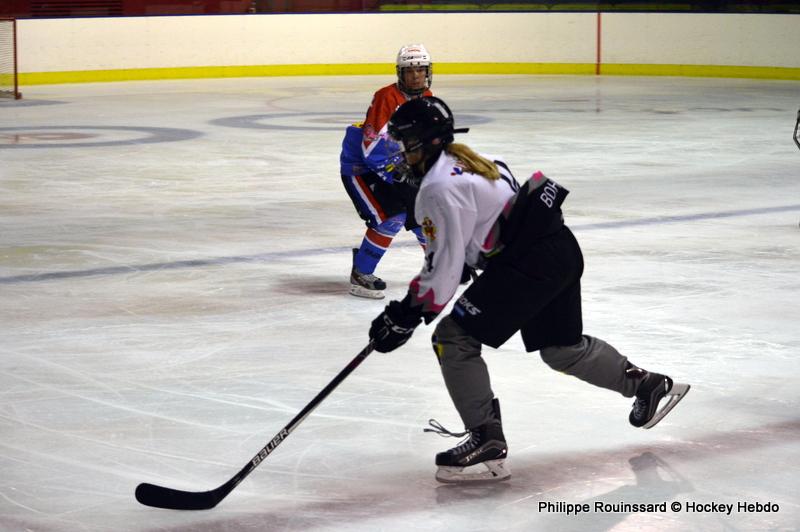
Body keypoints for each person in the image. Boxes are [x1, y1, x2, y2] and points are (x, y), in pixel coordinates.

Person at [367, 96, 691, 484]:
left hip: (529, 266)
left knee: (452, 338)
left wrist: (405, 314)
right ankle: (648, 385)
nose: (400, 153)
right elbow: (491, 219)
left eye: (404, 143)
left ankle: (486, 440)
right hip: (558, 250)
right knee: (561, 349)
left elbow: (444, 271)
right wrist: (472, 254)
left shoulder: (436, 188)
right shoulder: (475, 158)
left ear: (425, 142)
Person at [339, 44, 434, 299]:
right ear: (400, 73)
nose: (416, 76)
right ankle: (361, 274)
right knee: (392, 216)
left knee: (423, 211)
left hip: (395, 165)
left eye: (421, 70)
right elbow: (371, 150)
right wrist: (402, 177)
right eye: (410, 71)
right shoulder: (386, 97)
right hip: (361, 168)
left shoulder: (427, 97)